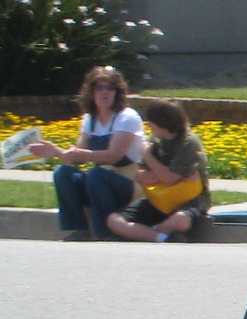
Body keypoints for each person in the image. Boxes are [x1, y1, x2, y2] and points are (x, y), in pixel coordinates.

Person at [28, 67, 143, 241]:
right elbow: (79, 159)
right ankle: (79, 230)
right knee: (64, 173)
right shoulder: (89, 119)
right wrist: (57, 152)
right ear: (91, 92)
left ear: (118, 92)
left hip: (129, 185)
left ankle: (103, 232)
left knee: (96, 175)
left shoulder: (127, 117)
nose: (105, 92)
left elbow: (113, 156)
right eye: (99, 88)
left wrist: (78, 153)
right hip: (100, 183)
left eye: (110, 88)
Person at [105, 101, 210, 242]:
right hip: (159, 199)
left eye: (151, 121)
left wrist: (148, 156)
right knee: (114, 220)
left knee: (181, 220)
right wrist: (169, 175)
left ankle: (147, 232)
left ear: (163, 122)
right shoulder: (155, 141)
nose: (149, 125)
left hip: (190, 200)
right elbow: (140, 176)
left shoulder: (189, 142)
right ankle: (162, 237)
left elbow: (170, 179)